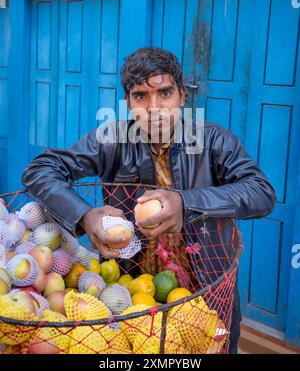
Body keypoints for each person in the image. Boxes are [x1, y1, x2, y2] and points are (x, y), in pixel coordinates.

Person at [22, 47, 276, 353]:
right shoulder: (112, 141)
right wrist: (85, 216)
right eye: (141, 96)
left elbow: (262, 192)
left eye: (165, 93)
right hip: (133, 299)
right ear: (128, 102)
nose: (154, 108)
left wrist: (185, 203)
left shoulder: (215, 142)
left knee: (214, 349)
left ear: (183, 96)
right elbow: (40, 169)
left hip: (208, 294)